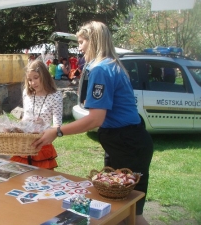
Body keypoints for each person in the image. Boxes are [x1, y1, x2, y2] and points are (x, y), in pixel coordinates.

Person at [33, 21, 153, 225]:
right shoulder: (112, 65)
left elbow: (96, 119)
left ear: (94, 41)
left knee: (129, 211)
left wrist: (58, 131)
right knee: (121, 208)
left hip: (127, 145)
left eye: (81, 42)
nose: (79, 48)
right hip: (127, 142)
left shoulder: (101, 69)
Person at [10, 60, 63, 170]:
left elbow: (57, 126)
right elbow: (25, 117)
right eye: (29, 79)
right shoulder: (27, 93)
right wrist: (18, 126)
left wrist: (44, 125)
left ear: (44, 76)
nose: (32, 82)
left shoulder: (55, 96)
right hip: (24, 146)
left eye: (36, 77)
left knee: (42, 181)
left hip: (42, 146)